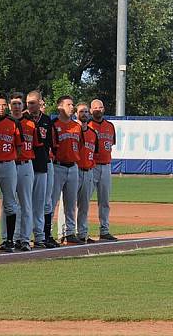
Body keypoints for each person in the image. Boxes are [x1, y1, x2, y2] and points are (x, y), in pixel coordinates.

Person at [0, 92, 21, 253]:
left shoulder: (13, 123)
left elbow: (19, 146)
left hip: (8, 164)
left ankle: (9, 239)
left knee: (10, 203)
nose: (0, 108)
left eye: (3, 105)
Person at [26, 91, 58, 248]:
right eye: (28, 102)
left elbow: (52, 144)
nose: (30, 105)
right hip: (26, 165)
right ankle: (22, 237)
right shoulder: (23, 119)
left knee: (42, 203)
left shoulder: (47, 120)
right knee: (23, 203)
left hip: (42, 164)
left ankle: (41, 236)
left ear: (40, 103)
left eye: (33, 102)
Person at [50, 95, 82, 244]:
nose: (72, 107)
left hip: (73, 167)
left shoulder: (77, 126)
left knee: (71, 203)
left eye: (72, 104)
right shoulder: (53, 125)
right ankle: (47, 232)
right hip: (58, 166)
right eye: (68, 104)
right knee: (52, 201)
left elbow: (79, 146)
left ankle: (69, 232)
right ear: (60, 107)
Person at [9, 92, 38, 251]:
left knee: (26, 204)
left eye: (19, 103)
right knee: (9, 203)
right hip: (10, 164)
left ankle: (25, 239)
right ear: (9, 106)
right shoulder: (6, 122)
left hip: (26, 164)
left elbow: (36, 145)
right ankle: (10, 238)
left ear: (23, 106)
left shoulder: (30, 124)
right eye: (14, 103)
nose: (17, 106)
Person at [88, 99, 118, 241]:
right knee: (84, 200)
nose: (98, 110)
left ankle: (104, 230)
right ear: (90, 110)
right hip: (91, 166)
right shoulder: (87, 125)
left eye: (100, 107)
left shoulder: (110, 126)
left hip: (106, 166)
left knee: (105, 201)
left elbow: (110, 145)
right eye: (95, 108)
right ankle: (82, 231)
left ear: (104, 109)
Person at [76, 103, 100, 243]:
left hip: (88, 171)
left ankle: (83, 234)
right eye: (81, 111)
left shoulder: (92, 133)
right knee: (68, 204)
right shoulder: (72, 130)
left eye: (86, 111)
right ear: (75, 113)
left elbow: (94, 152)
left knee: (84, 205)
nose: (84, 114)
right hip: (75, 170)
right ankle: (65, 233)